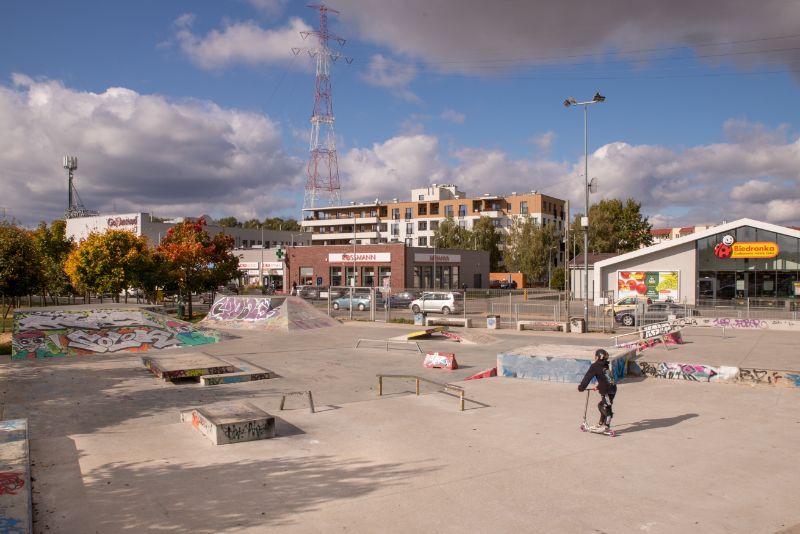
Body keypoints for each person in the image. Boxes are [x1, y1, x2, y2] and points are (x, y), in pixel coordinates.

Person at [577, 349, 617, 432]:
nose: (594, 357)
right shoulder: (605, 365)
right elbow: (607, 378)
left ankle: (606, 426)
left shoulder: (595, 366)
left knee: (605, 406)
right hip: (612, 388)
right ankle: (601, 423)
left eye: (595, 356)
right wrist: (598, 387)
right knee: (602, 405)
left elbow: (587, 378)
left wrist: (581, 387)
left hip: (606, 390)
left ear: (598, 357)